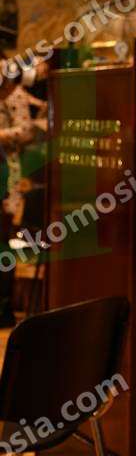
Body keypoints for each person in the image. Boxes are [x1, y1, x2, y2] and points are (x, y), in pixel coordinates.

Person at [0, 58, 34, 326]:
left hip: (7, 171)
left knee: (4, 236)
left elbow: (26, 131)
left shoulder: (15, 93)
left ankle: (4, 307)